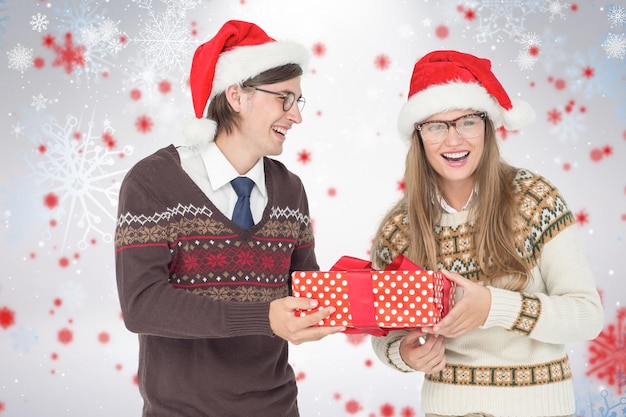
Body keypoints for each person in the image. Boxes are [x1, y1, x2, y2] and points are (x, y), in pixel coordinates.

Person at [114, 20, 344, 417]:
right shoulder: (153, 182)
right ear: (237, 96)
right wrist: (264, 317)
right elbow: (142, 305)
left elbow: (303, 291)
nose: (296, 117)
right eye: (284, 99)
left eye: (297, 101)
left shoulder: (290, 190)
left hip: (277, 408)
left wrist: (376, 301)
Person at [370, 50, 604, 417]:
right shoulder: (400, 228)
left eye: (467, 122)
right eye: (435, 126)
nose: (453, 140)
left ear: (487, 126)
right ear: (418, 136)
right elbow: (385, 335)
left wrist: (494, 307)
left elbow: (587, 316)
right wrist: (405, 354)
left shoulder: (534, 200)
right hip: (446, 409)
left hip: (536, 409)